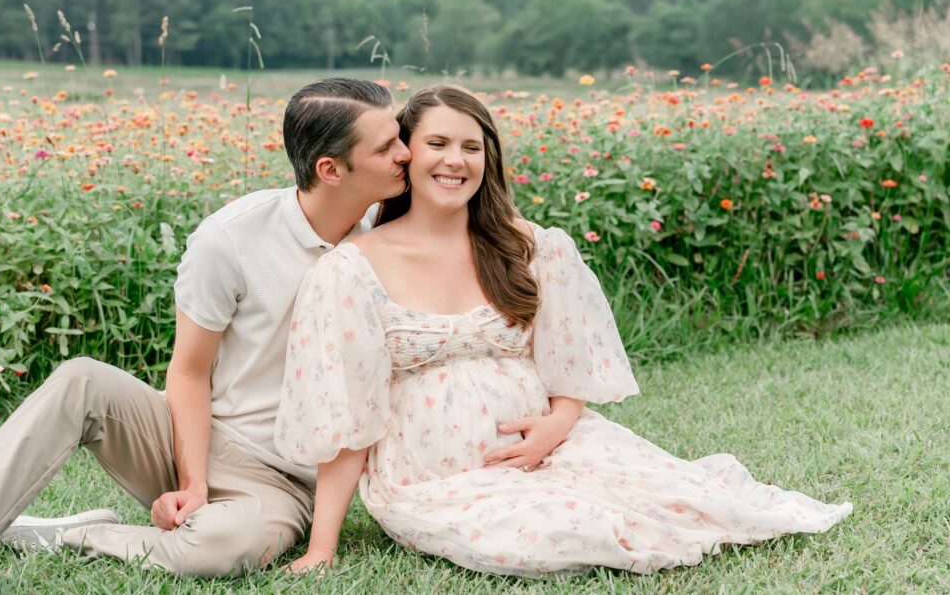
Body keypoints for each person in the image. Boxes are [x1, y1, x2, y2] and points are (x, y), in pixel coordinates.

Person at [275, 84, 853, 577]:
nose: (456, 160)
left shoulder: (529, 247)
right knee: (564, 534)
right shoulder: (351, 269)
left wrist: (556, 426)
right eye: (438, 144)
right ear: (405, 154)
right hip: (432, 478)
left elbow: (567, 363)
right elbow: (349, 412)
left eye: (472, 146)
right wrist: (322, 547)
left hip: (552, 447)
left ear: (489, 159)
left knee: (677, 501)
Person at [0, 78, 411, 580]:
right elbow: (188, 371)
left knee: (218, 548)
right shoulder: (231, 239)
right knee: (82, 379)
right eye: (386, 146)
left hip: (282, 483)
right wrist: (193, 482)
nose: (406, 152)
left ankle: (68, 534)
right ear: (330, 169)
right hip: (197, 436)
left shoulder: (393, 241)